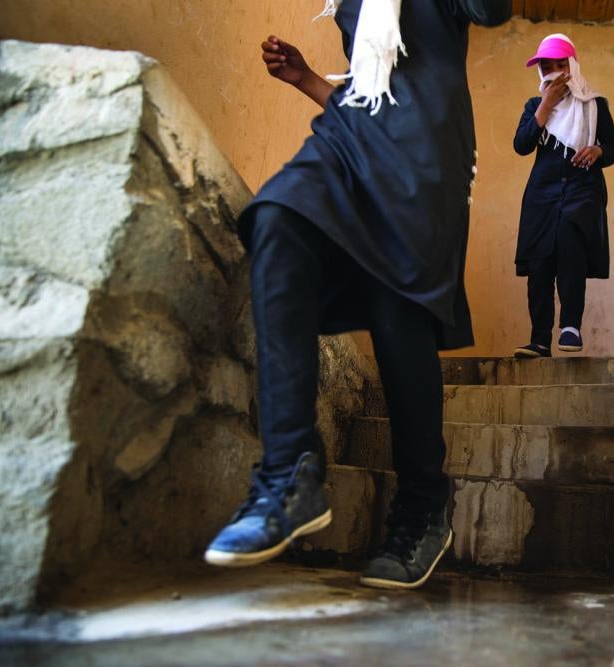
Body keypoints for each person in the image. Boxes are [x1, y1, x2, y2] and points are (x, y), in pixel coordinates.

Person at [203, 0, 511, 590]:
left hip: (425, 155)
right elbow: (373, 87)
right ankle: (290, 470)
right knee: (277, 218)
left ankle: (423, 504)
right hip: (351, 137)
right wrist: (307, 81)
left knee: (400, 315)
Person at [512, 33, 614, 359]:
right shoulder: (535, 106)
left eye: (563, 65)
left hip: (581, 191)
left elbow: (613, 147)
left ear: (573, 65)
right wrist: (546, 106)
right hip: (541, 196)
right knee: (540, 262)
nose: (557, 72)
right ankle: (540, 340)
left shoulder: (595, 105)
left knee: (570, 243)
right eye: (549, 67)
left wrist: (598, 150)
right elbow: (521, 145)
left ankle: (570, 325)